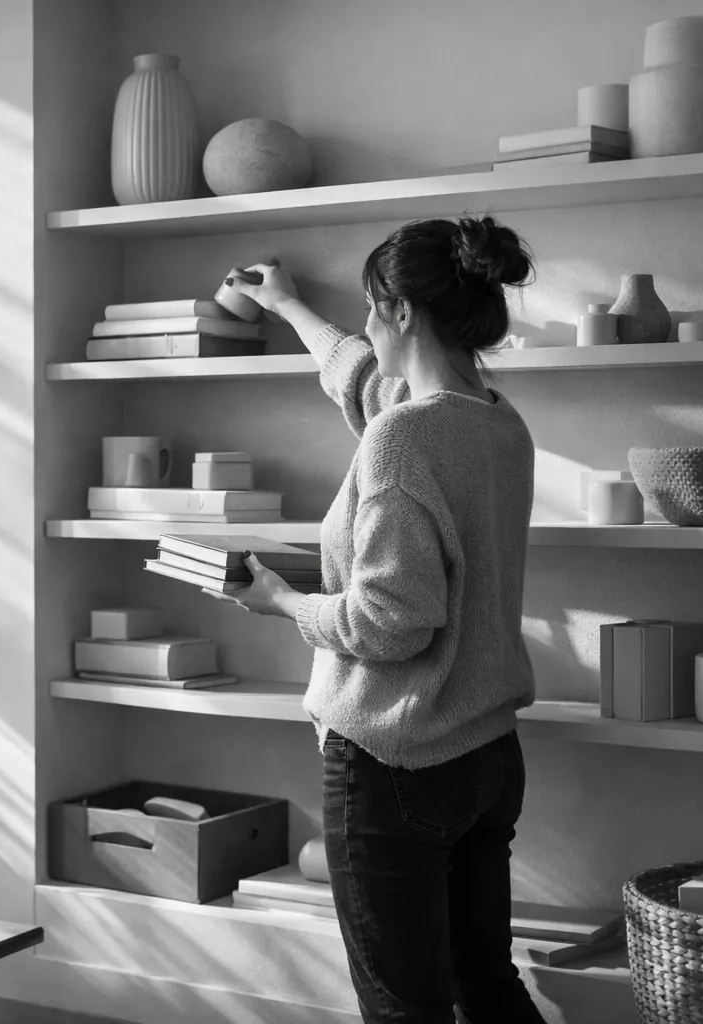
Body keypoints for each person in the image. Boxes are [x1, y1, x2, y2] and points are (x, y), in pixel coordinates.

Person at [209, 215, 547, 1024]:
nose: (363, 324)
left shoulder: (403, 439)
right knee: (487, 985)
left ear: (399, 312)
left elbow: (393, 623)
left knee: (406, 1008)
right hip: (487, 759)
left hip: (397, 761)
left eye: (370, 307)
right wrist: (290, 306)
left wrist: (284, 603)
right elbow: (363, 377)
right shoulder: (498, 422)